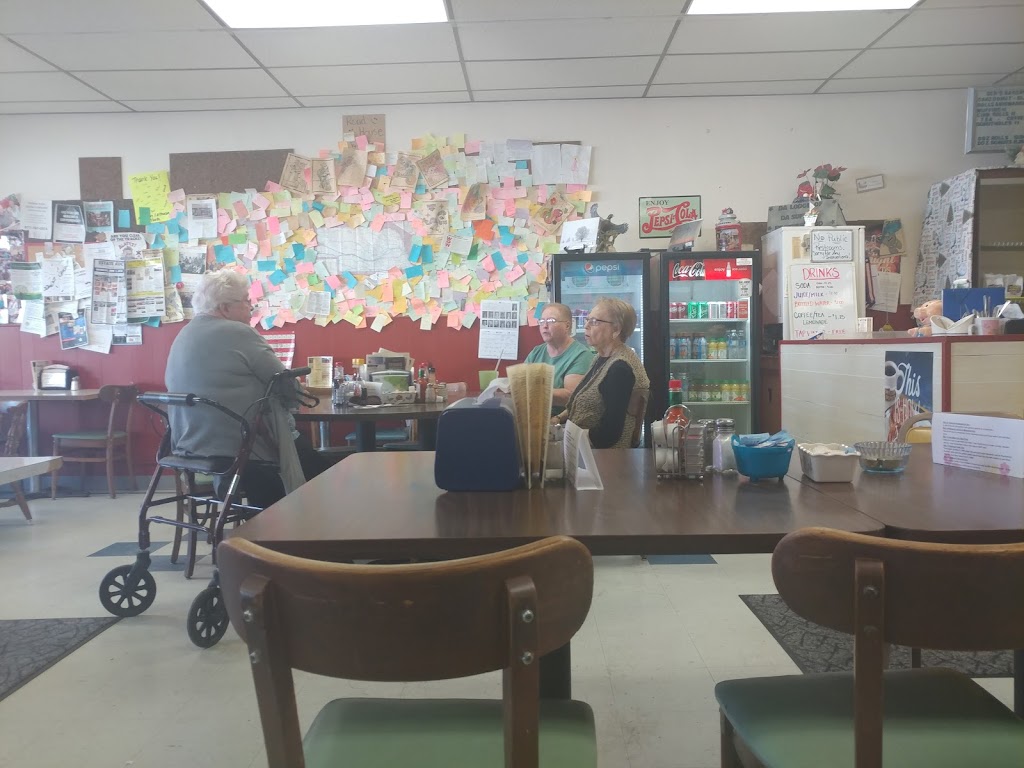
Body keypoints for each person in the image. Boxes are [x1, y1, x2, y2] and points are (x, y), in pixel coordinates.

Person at [165, 270, 328, 508]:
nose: (251, 307)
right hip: (239, 445)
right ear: (224, 307)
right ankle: (290, 522)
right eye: (245, 301)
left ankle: (257, 520)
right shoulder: (238, 332)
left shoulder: (184, 333)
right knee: (323, 471)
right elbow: (288, 387)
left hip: (188, 443)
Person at [554, 297, 650, 449]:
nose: (586, 326)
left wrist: (567, 436)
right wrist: (558, 419)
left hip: (605, 458)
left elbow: (609, 434)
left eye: (594, 322)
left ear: (616, 330)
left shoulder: (620, 368)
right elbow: (583, 402)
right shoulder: (601, 357)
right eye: (587, 320)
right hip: (586, 449)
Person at [524, 302, 594, 415]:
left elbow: (571, 396)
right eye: (541, 321)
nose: (544, 326)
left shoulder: (581, 355)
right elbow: (521, 380)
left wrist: (533, 391)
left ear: (567, 326)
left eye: (551, 321)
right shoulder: (537, 352)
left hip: (560, 421)